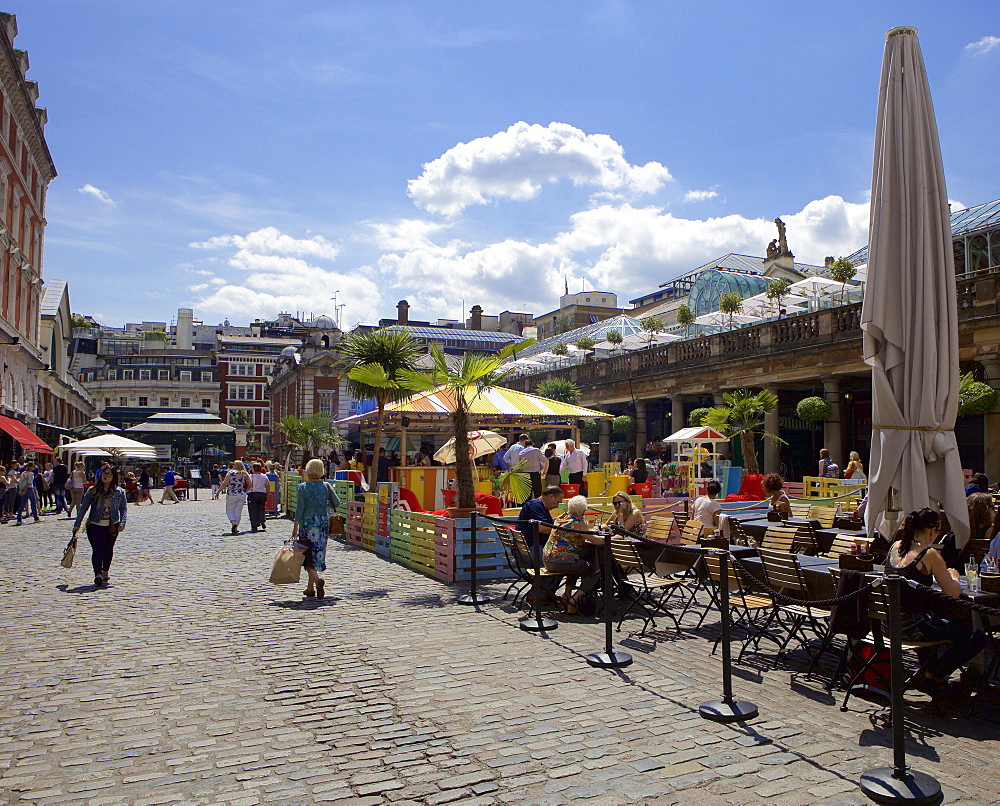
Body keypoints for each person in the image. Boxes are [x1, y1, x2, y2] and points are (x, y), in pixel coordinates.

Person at [887, 508, 989, 694]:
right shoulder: (929, 554)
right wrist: (954, 577)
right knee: (976, 637)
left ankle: (931, 675)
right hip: (914, 627)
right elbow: (952, 593)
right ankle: (933, 673)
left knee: (940, 623)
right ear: (933, 530)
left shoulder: (896, 547)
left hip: (890, 624)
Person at [543, 495, 605, 613]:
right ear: (583, 511)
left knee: (577, 563)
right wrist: (610, 538)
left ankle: (566, 594)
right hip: (561, 562)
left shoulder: (561, 518)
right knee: (594, 571)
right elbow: (597, 541)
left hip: (547, 559)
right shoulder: (578, 523)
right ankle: (575, 598)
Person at [292, 458, 340, 599]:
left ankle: (318, 581)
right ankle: (310, 588)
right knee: (316, 554)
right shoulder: (326, 486)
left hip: (307, 524)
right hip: (322, 523)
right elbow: (336, 502)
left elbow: (299, 509)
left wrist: (295, 526)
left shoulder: (303, 487)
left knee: (307, 556)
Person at [72, 465, 127, 587]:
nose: (105, 476)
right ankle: (97, 573)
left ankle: (105, 570)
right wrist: (77, 524)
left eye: (108, 474)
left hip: (112, 526)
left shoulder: (119, 492)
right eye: (104, 473)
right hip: (94, 525)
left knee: (108, 549)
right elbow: (83, 509)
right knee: (98, 549)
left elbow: (123, 509)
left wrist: (122, 523)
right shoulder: (93, 491)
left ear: (113, 477)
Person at [222, 460, 251, 534]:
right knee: (238, 511)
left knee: (229, 510)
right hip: (241, 493)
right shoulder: (245, 473)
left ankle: (233, 522)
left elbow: (225, 483)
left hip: (232, 493)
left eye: (234, 464)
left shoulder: (230, 473)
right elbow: (250, 483)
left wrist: (218, 491)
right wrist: (246, 490)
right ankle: (236, 527)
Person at [14, 461, 40, 525]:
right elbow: (29, 483)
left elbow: (20, 481)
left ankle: (19, 519)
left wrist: (22, 490)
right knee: (33, 503)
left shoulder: (23, 473)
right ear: (30, 467)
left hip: (23, 489)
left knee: (22, 504)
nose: (34, 468)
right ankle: (36, 518)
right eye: (33, 466)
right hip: (29, 489)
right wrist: (25, 490)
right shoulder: (31, 474)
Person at [247, 461, 269, 533]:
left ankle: (254, 525)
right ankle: (262, 519)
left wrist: (246, 491)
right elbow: (267, 485)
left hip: (253, 493)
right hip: (262, 493)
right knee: (261, 508)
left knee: (253, 510)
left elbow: (249, 484)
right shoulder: (264, 476)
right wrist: (267, 494)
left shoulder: (251, 476)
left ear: (253, 469)